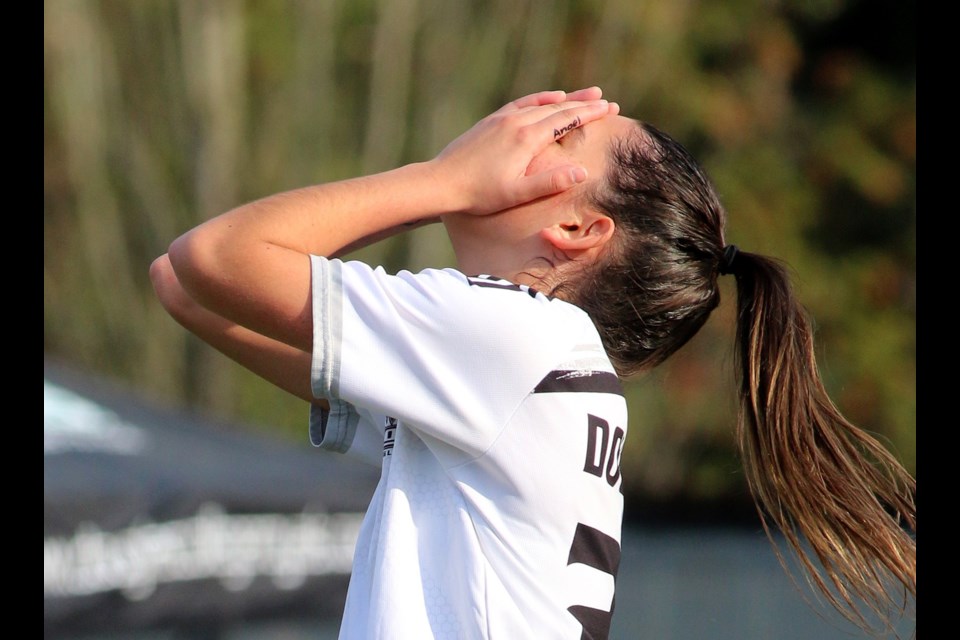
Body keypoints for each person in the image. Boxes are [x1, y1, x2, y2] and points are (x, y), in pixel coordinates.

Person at [150, 87, 916, 639]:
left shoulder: (516, 340)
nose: (525, 123)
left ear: (579, 226)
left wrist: (444, 177)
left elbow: (215, 259)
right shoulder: (515, 366)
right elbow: (192, 285)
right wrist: (446, 175)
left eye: (560, 137)